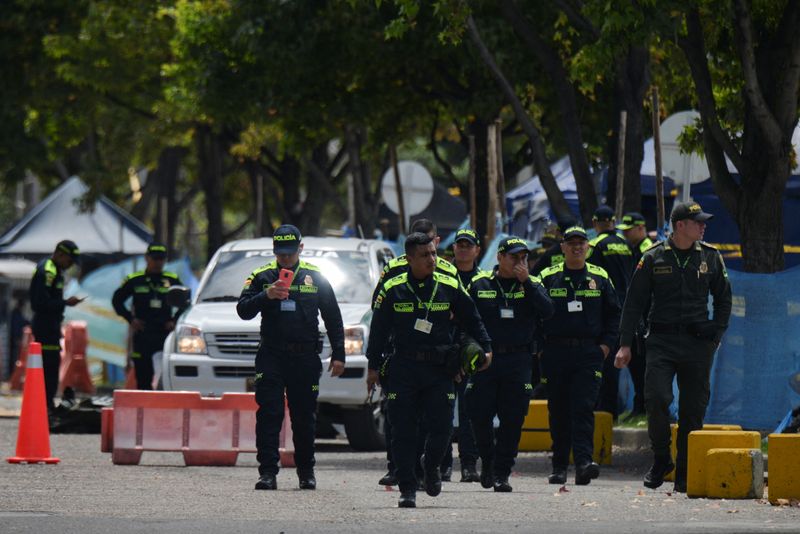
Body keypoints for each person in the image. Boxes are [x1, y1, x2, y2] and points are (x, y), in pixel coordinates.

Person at [366, 232, 492, 508]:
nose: (432, 259)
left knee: (442, 427)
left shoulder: (449, 285)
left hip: (439, 368)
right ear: (410, 259)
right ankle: (407, 488)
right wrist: (372, 367)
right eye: (425, 255)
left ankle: (432, 464)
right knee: (403, 431)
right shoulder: (393, 288)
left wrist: (486, 347)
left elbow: (473, 318)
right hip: (403, 368)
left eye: (434, 253)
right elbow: (378, 331)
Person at [615, 201, 732, 493]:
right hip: (661, 343)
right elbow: (633, 304)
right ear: (680, 225)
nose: (703, 226)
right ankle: (661, 459)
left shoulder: (711, 257)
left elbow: (724, 299)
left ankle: (685, 472)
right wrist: (625, 345)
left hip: (697, 344)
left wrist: (716, 336)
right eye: (697, 222)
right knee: (656, 399)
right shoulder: (653, 258)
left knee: (694, 410)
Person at [237, 224, 346, 491]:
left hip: (305, 357)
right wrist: (267, 295)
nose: (285, 258)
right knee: (270, 414)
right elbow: (243, 310)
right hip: (271, 355)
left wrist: (339, 354)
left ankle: (306, 472)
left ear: (301, 248)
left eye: (289, 252)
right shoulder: (261, 275)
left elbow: (333, 316)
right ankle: (267, 473)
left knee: (304, 417)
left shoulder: (316, 277)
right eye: (280, 253)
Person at [371, 218, 457, 487]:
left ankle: (433, 468)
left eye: (429, 241)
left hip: (437, 357)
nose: (428, 251)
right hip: (402, 355)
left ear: (436, 241)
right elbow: (379, 309)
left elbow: (463, 313)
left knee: (438, 420)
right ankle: (399, 470)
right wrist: (376, 361)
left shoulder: (448, 273)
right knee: (400, 420)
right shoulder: (394, 270)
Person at [467, 237, 554, 492]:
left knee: (513, 418)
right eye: (514, 257)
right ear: (500, 258)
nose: (519, 262)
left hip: (519, 360)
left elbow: (549, 311)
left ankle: (502, 473)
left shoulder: (533, 283)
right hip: (486, 359)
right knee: (480, 416)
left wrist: (527, 281)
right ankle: (488, 460)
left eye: (523, 258)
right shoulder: (479, 283)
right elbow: (464, 320)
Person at [539, 227, 620, 485]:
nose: (576, 247)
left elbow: (615, 314)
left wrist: (606, 346)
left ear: (588, 247)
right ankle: (559, 466)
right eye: (570, 243)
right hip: (555, 352)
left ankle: (584, 462)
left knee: (584, 407)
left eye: (581, 243)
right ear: (562, 247)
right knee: (559, 409)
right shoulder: (547, 276)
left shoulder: (600, 277)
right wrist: (540, 347)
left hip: (589, 353)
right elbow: (532, 310)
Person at [112, 243, 185, 390]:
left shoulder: (172, 280)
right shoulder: (134, 279)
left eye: (161, 259)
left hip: (164, 334)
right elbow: (116, 300)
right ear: (146, 258)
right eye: (155, 259)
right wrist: (130, 319)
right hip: (143, 333)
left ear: (165, 260)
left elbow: (185, 302)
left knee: (165, 376)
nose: (158, 263)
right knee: (143, 378)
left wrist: (174, 320)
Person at [444, 228, 484, 483]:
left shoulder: (485, 281)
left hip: (472, 353)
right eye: (460, 244)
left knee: (470, 411)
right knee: (443, 411)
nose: (463, 249)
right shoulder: (443, 277)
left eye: (468, 245)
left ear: (477, 250)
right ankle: (442, 463)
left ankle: (469, 464)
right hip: (445, 352)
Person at [586, 205, 634, 420]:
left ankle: (603, 411)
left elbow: (590, 278)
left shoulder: (595, 245)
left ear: (596, 223)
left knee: (603, 359)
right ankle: (614, 411)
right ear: (613, 222)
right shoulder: (626, 244)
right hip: (628, 306)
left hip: (605, 308)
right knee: (623, 359)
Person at [29, 240, 83, 412]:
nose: (70, 265)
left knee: (52, 366)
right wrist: (65, 302)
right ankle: (45, 406)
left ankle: (46, 404)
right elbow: (39, 303)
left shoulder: (56, 271)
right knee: (49, 367)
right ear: (60, 254)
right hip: (45, 327)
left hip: (51, 326)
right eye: (69, 260)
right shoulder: (48, 270)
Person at [617, 212, 655, 418]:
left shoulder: (647, 251)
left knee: (644, 366)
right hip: (638, 317)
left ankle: (644, 406)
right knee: (637, 365)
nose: (625, 234)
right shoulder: (634, 249)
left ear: (641, 228)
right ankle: (640, 405)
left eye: (628, 230)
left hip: (646, 318)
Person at [8, 297, 30, 379]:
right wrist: (17, 338)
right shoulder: (16, 314)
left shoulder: (16, 313)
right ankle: (11, 374)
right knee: (13, 357)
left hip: (14, 338)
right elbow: (17, 326)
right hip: (14, 339)